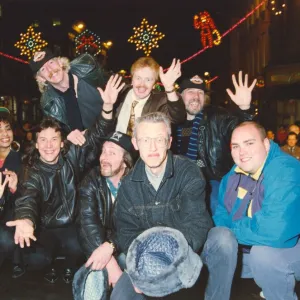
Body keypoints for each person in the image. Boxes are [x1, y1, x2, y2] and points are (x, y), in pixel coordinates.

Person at [6, 75, 124, 284]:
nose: (48, 145)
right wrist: (25, 219)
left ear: (62, 143)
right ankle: (50, 265)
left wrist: (107, 107)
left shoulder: (73, 156)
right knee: (35, 259)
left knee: (78, 247)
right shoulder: (30, 170)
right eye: (43, 139)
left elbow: (96, 137)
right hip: (44, 225)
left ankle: (69, 266)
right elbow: (27, 198)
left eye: (54, 139)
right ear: (36, 143)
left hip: (72, 223)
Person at [107, 112, 212, 299]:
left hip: (183, 256)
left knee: (223, 239)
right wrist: (146, 267)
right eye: (146, 140)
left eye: (159, 139)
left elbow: (197, 224)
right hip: (146, 260)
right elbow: (126, 232)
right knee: (119, 296)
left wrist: (168, 262)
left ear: (169, 142)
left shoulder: (189, 172)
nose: (153, 147)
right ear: (135, 144)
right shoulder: (128, 185)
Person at [207, 121, 300, 300]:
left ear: (266, 144)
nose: (242, 152)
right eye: (235, 146)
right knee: (220, 242)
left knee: (263, 256)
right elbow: (220, 213)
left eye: (249, 143)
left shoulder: (285, 170)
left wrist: (231, 232)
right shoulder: (235, 173)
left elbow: (275, 230)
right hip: (251, 245)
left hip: (288, 249)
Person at [173, 72, 256, 214]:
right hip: (179, 183)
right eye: (190, 91)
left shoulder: (217, 117)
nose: (196, 96)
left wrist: (244, 109)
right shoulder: (172, 123)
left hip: (213, 182)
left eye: (200, 92)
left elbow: (244, 131)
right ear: (180, 95)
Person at [76, 131, 134, 287]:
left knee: (129, 261)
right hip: (96, 242)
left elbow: (134, 226)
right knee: (93, 280)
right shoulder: (91, 180)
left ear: (125, 162)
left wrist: (112, 246)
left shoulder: (136, 183)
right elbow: (87, 223)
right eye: (103, 151)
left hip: (123, 242)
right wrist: (109, 261)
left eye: (112, 153)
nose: (104, 158)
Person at [29, 48, 107, 142]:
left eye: (51, 63)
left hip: (109, 136)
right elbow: (57, 132)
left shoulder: (88, 70)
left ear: (60, 62)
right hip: (82, 149)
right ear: (41, 78)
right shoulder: (48, 103)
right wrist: (66, 137)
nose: (50, 70)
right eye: (43, 69)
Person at [115, 57, 186, 136]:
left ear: (154, 85)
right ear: (132, 80)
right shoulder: (118, 92)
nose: (142, 84)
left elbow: (178, 118)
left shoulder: (160, 101)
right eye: (138, 78)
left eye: (148, 80)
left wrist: (169, 87)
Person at [0, 108, 24, 278]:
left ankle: (17, 259)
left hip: (11, 211)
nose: (5, 134)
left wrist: (14, 188)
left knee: (6, 241)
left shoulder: (22, 158)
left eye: (7, 128)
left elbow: (29, 193)